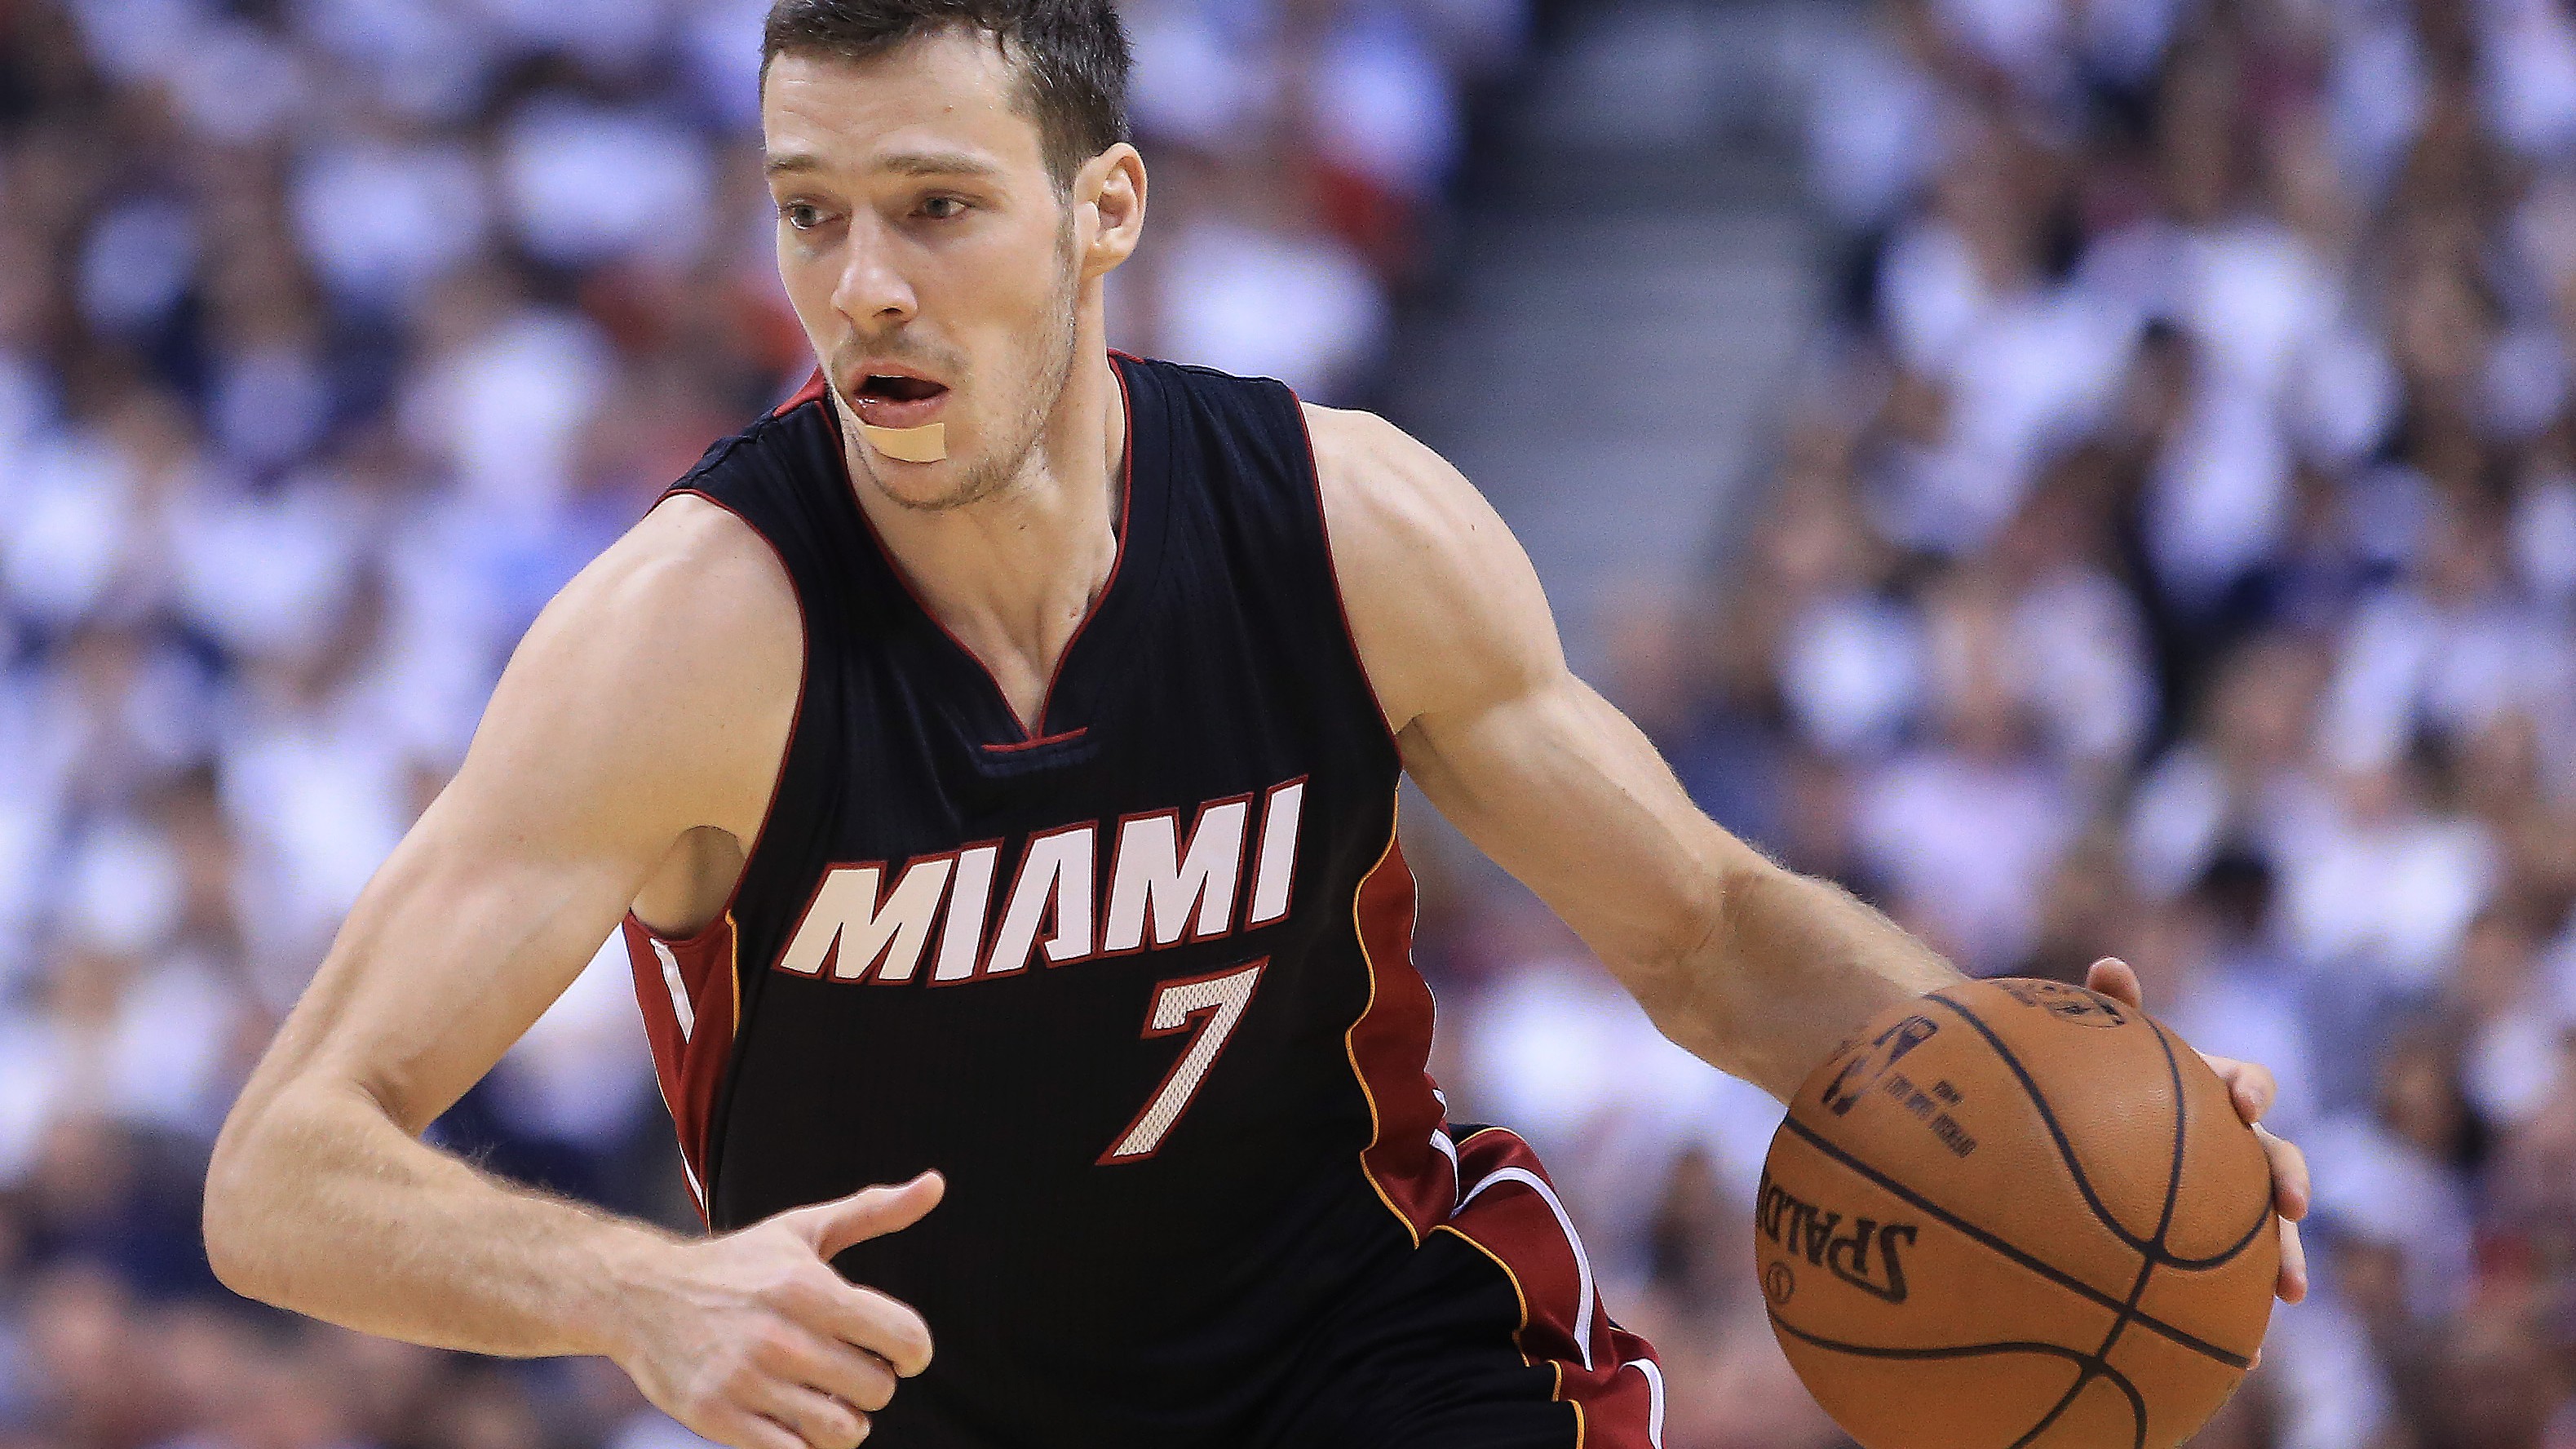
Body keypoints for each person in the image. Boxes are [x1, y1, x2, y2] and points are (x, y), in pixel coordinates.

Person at [199, 3, 2311, 1447]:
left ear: (1106, 210)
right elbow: (282, 1177)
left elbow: (1707, 932)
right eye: (808, 208)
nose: (858, 287)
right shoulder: (694, 637)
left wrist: (2048, 1083)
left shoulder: (1343, 523)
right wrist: (636, 1298)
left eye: (937, 206)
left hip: (1376, 1359)